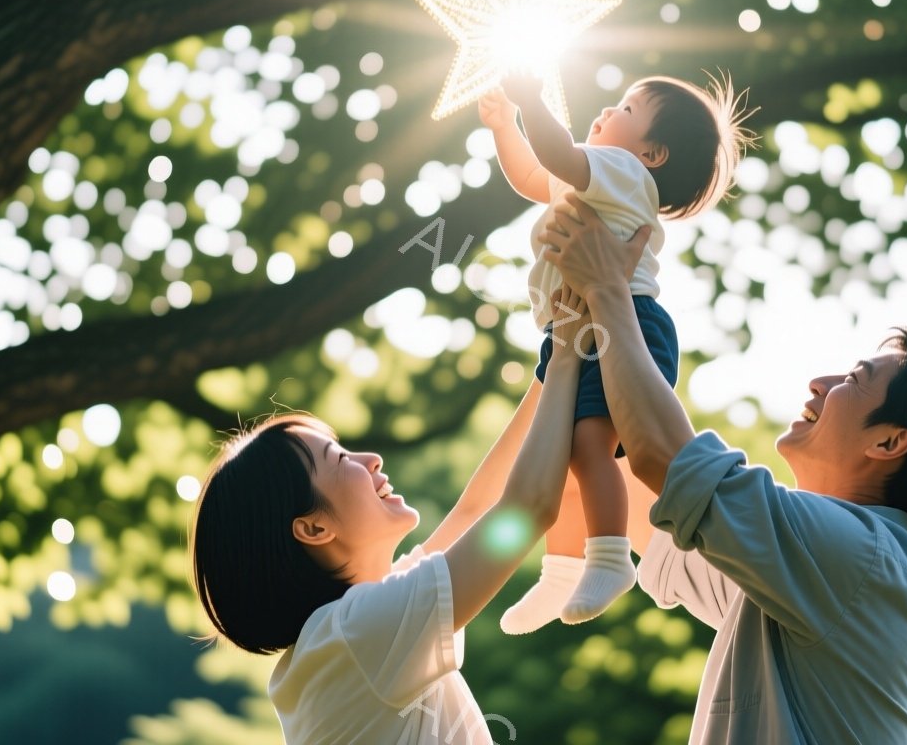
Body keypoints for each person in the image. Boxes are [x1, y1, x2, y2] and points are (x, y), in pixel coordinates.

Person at [538, 196, 907, 744]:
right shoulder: (793, 569)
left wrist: (609, 290)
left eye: (855, 380)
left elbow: (663, 459)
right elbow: (630, 483)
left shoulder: (864, 560)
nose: (820, 382)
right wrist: (576, 336)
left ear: (889, 441)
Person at [188, 286, 610, 745]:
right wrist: (567, 354)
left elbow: (477, 511)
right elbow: (526, 509)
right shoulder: (359, 635)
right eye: (339, 459)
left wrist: (555, 355)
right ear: (313, 527)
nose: (371, 459)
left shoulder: (349, 634)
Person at [477, 70, 756, 633]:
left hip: (622, 327)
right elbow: (534, 174)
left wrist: (530, 98)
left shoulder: (621, 172)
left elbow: (553, 153)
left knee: (586, 446)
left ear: (651, 153)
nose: (608, 108)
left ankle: (609, 557)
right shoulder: (594, 176)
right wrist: (505, 128)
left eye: (627, 109)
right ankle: (560, 569)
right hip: (581, 329)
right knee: (562, 451)